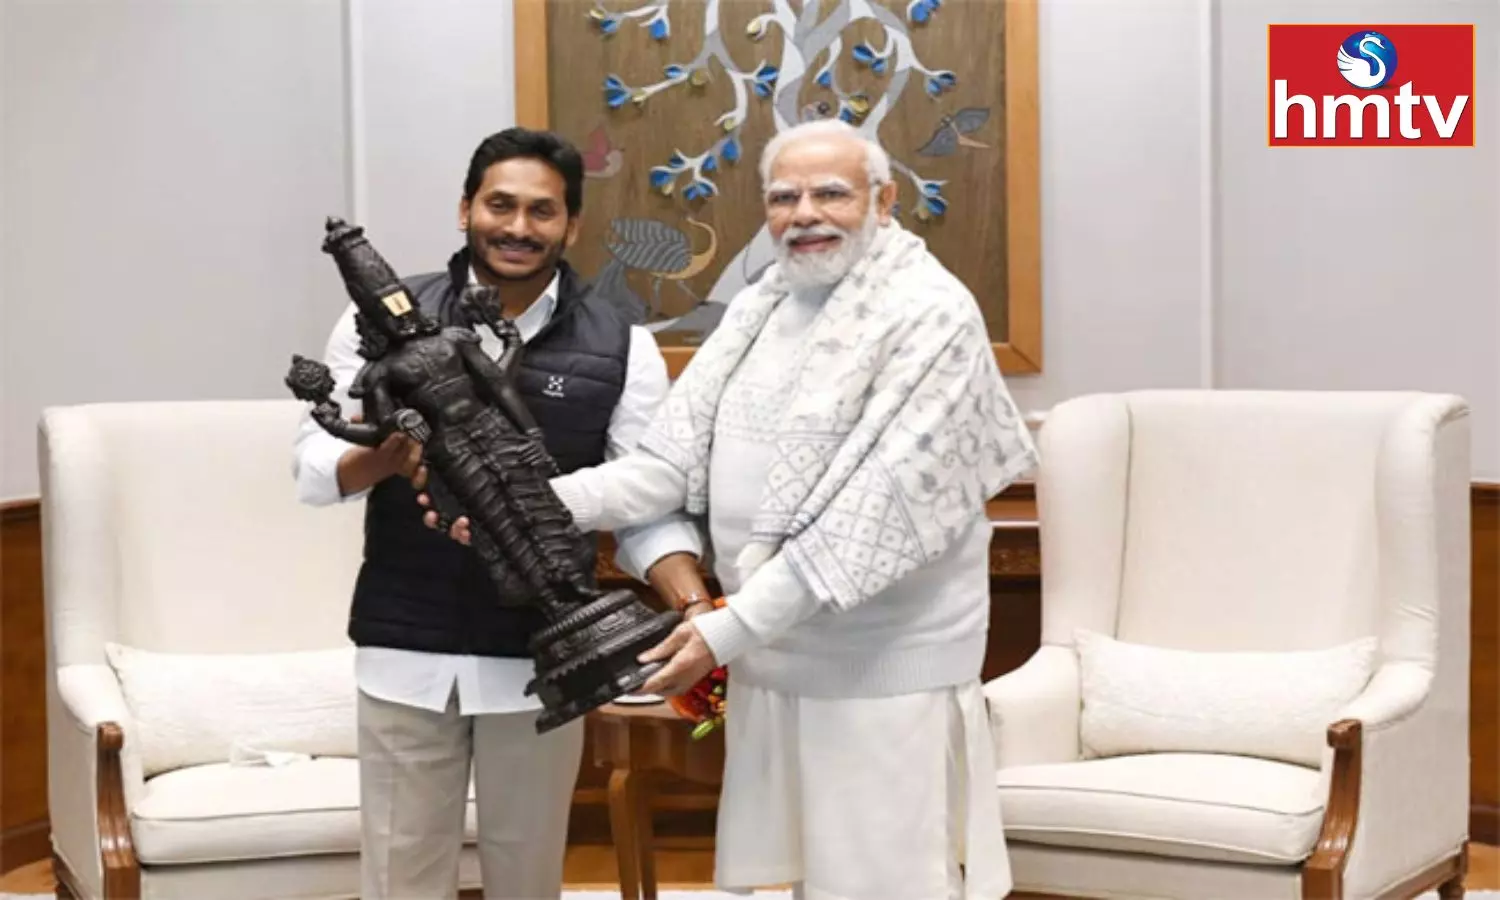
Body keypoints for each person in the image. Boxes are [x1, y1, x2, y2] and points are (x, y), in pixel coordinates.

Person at [428, 119, 1040, 900]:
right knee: (804, 883)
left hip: (882, 674)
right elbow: (666, 466)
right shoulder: (764, 303)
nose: (804, 213)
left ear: (885, 201)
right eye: (783, 197)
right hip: (776, 659)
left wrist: (723, 631)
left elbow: (866, 524)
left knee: (884, 883)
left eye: (831, 194)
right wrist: (523, 505)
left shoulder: (931, 314)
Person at [292, 127, 711, 900]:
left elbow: (647, 503)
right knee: (400, 879)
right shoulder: (370, 325)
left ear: (571, 225)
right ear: (466, 210)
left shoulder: (623, 345)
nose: (518, 227)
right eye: (500, 205)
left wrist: (696, 608)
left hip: (546, 661)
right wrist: (392, 451)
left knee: (528, 877)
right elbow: (315, 471)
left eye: (541, 211)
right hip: (405, 648)